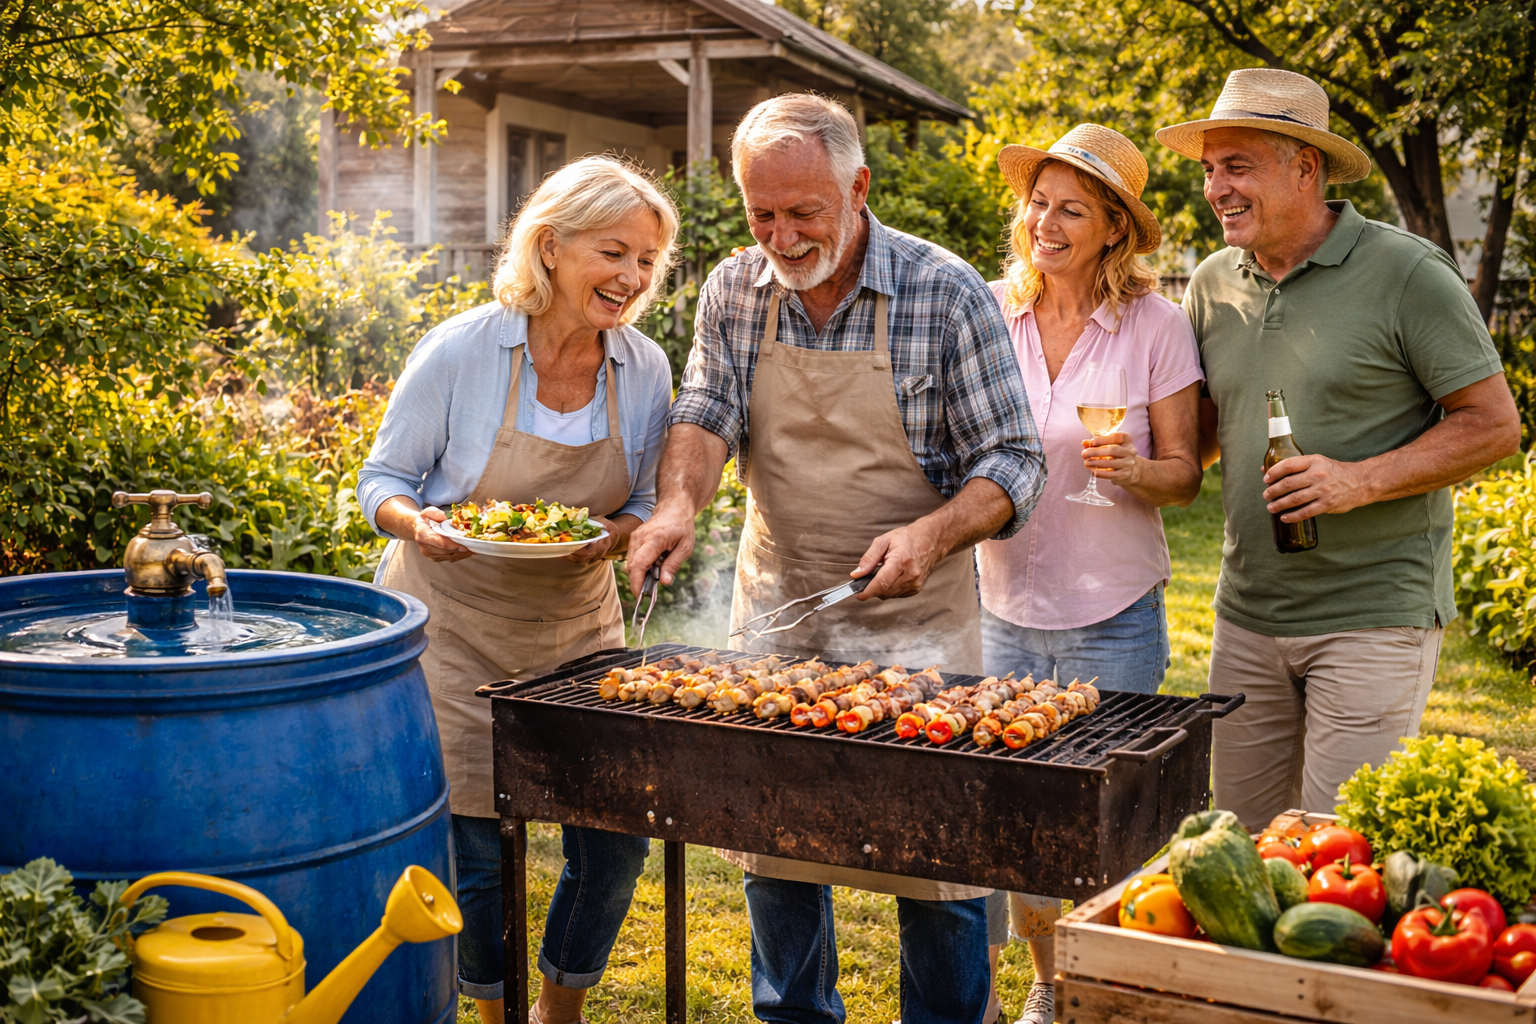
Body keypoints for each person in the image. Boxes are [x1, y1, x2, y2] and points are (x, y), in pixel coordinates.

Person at [626, 94, 1046, 1024]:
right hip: (781, 605)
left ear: (858, 188)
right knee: (776, 847)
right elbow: (706, 410)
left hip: (919, 616)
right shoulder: (734, 288)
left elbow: (1016, 460)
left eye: (803, 211)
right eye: (761, 213)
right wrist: (678, 504)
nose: (781, 234)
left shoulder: (944, 292)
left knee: (936, 867)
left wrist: (931, 534)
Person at [357, 156, 678, 1024]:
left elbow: (643, 500)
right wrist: (419, 524)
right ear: (550, 247)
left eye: (648, 261)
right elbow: (383, 477)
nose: (632, 277)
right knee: (476, 847)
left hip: (576, 626)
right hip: (454, 626)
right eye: (614, 252)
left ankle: (558, 1008)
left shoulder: (643, 368)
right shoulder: (465, 348)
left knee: (613, 837)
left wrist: (618, 535)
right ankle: (492, 1013)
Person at [1157, 68, 1521, 830]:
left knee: (1334, 854)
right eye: (1209, 170)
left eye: (1237, 166)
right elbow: (1203, 438)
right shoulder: (1213, 282)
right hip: (1247, 616)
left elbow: (1492, 424)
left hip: (1372, 616)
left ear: (1305, 167)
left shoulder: (1408, 273)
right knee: (1243, 849)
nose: (1216, 187)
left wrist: (1357, 481)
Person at [978, 122, 1205, 1024]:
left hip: (1112, 611)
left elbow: (1185, 472)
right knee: (1019, 812)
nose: (1048, 222)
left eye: (1073, 209)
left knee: (1109, 814)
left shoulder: (1157, 324)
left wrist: (1138, 471)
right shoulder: (993, 309)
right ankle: (1047, 978)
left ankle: (1110, 985)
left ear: (1115, 227)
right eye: (1039, 203)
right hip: (1001, 604)